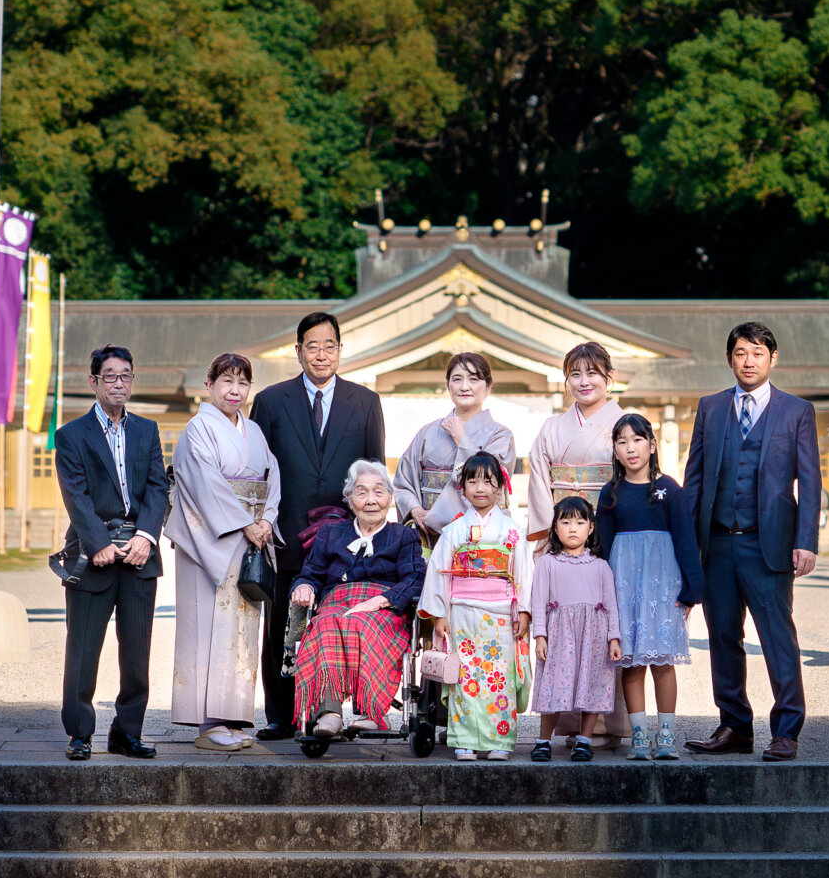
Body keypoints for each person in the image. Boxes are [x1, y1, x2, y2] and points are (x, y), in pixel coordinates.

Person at [681, 321, 822, 761]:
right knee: (723, 637)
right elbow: (695, 479)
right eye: (741, 353)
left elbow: (810, 482)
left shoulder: (796, 411)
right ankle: (735, 726)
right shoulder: (711, 408)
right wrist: (688, 547)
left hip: (770, 544)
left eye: (758, 353)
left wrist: (807, 541)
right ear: (730, 359)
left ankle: (786, 730)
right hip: (717, 544)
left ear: (772, 359)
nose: (749, 361)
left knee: (778, 638)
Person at [250, 310, 386, 741]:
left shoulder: (365, 403)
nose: (321, 354)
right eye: (313, 346)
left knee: (338, 623)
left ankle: (331, 711)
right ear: (298, 351)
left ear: (341, 351)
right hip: (284, 530)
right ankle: (281, 714)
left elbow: (375, 473)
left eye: (330, 346)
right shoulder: (272, 401)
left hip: (344, 537)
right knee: (281, 626)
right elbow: (257, 472)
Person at [51, 344, 170, 760]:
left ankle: (127, 732)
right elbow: (75, 494)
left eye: (126, 376)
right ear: (94, 381)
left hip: (140, 555)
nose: (119, 383)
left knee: (136, 653)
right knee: (83, 649)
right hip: (93, 554)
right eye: (111, 375)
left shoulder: (147, 430)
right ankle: (80, 734)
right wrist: (98, 544)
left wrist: (146, 537)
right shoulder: (70, 436)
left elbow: (158, 487)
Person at [166, 351, 282, 751]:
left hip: (248, 538)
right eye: (227, 381)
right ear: (209, 385)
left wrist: (266, 518)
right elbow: (204, 484)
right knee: (208, 627)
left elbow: (272, 477)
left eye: (243, 382)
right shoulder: (198, 429)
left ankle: (231, 717)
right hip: (212, 542)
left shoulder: (253, 431)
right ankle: (206, 722)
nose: (236, 390)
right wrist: (246, 522)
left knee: (241, 630)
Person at [527, 341, 628, 749]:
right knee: (560, 627)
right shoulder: (552, 427)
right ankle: (566, 723)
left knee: (602, 627)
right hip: (562, 529)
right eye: (575, 374)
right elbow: (537, 480)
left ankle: (604, 724)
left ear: (609, 378)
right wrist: (544, 535)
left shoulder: (624, 424)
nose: (583, 382)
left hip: (608, 534)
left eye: (592, 373)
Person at [286, 459, 426, 736]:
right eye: (362, 492)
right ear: (349, 499)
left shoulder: (403, 536)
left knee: (366, 624)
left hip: (382, 608)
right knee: (324, 624)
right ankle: (329, 713)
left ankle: (372, 711)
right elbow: (310, 574)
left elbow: (416, 579)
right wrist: (304, 587)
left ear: (389, 497)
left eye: (378, 491)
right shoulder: (330, 533)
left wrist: (381, 600)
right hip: (336, 603)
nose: (371, 500)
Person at [593, 412, 702, 761]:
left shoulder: (668, 489)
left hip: (662, 588)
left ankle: (666, 733)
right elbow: (603, 549)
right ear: (615, 449)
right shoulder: (610, 495)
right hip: (624, 589)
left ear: (652, 445)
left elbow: (686, 540)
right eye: (622, 441)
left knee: (663, 662)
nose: (630, 448)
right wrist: (604, 595)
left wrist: (691, 589)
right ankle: (639, 736)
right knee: (632, 663)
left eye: (637, 439)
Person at [417, 451, 536, 761]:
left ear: (500, 487)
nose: (480, 488)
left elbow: (523, 572)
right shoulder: (454, 530)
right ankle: (465, 739)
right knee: (466, 676)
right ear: (463, 487)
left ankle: (500, 740)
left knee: (500, 676)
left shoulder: (512, 531)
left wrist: (524, 611)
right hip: (461, 612)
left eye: (488, 481)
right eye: (473, 481)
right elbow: (440, 572)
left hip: (501, 614)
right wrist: (440, 614)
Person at [528, 496, 621, 763]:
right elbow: (538, 601)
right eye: (565, 521)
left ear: (591, 527)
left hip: (594, 636)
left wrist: (613, 638)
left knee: (592, 684)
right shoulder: (548, 563)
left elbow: (611, 605)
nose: (572, 528)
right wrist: (540, 635)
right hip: (559, 637)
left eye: (580, 522)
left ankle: (584, 740)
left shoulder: (601, 566)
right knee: (554, 684)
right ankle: (543, 740)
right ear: (555, 526)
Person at [393, 351, 516, 536]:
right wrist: (415, 510)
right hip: (428, 532)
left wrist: (462, 440)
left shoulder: (500, 435)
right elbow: (403, 482)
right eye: (457, 379)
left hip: (480, 533)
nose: (464, 387)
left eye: (474, 379)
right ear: (448, 386)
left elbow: (491, 481)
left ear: (488, 386)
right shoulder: (427, 432)